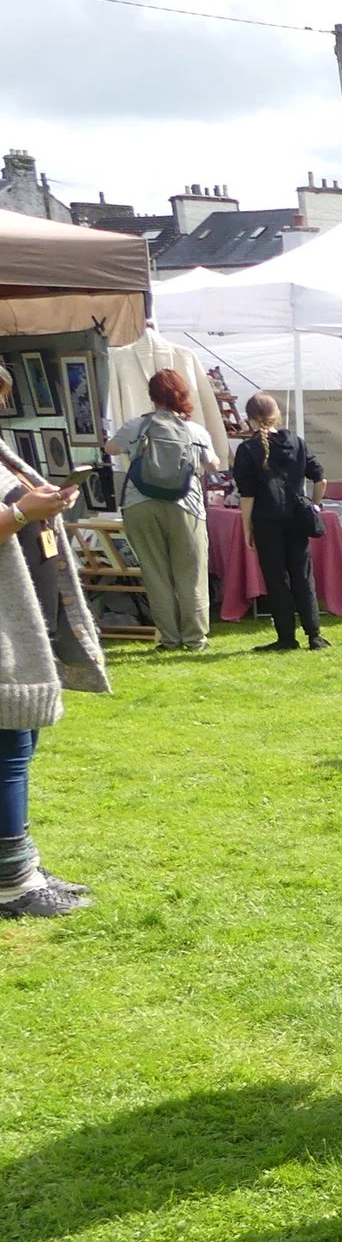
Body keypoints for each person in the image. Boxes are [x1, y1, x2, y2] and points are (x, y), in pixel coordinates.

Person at [0, 370, 94, 919]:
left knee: (20, 744)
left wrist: (52, 500)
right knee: (10, 749)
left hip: (23, 616)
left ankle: (18, 864)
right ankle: (13, 882)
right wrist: (21, 512)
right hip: (5, 625)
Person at [107, 369, 219, 651]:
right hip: (187, 504)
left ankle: (169, 639)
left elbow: (109, 448)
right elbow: (214, 464)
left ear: (152, 396)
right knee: (191, 573)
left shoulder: (138, 425)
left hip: (139, 503)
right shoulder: (195, 431)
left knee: (155, 572)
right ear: (182, 395)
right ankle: (195, 639)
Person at [230, 393, 331, 653]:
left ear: (250, 419)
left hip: (266, 520)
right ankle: (315, 635)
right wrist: (315, 505)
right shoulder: (297, 443)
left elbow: (247, 495)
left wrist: (246, 529)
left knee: (276, 580)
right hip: (297, 518)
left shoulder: (247, 450)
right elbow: (320, 480)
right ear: (278, 415)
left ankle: (286, 637)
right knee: (303, 576)